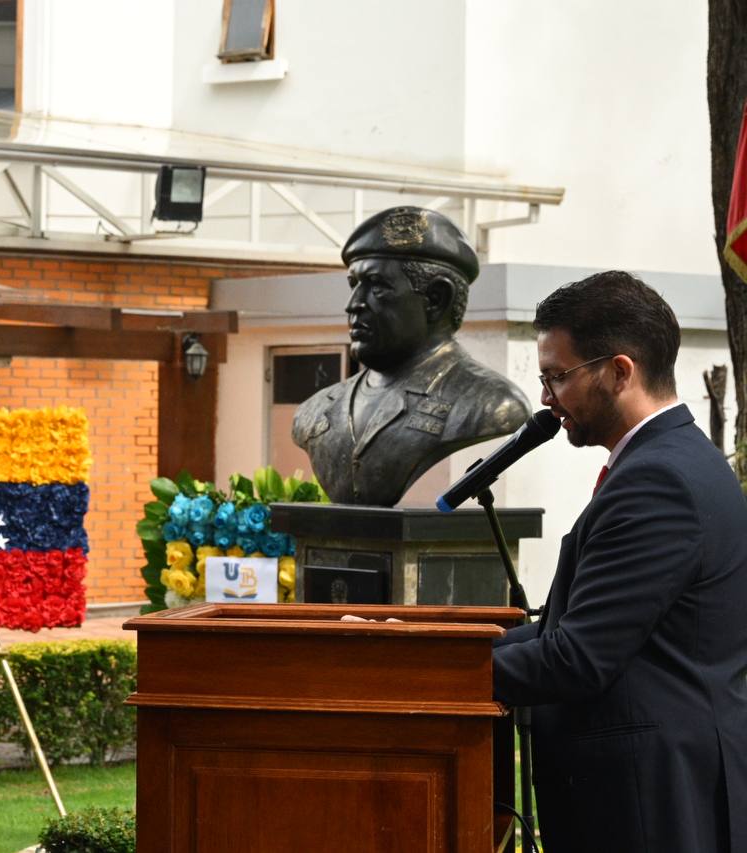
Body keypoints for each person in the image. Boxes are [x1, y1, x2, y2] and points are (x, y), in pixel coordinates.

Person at [493, 271, 747, 852]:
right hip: (650, 787)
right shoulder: (672, 460)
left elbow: (578, 657)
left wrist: (427, 670)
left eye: (558, 376)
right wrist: (433, 646)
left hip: (650, 801)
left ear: (619, 371)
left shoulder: (659, 479)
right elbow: (583, 628)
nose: (546, 397)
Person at [292, 206, 531, 505]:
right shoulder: (315, 410)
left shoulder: (491, 405)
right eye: (354, 285)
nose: (353, 304)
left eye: (377, 286)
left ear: (435, 299)